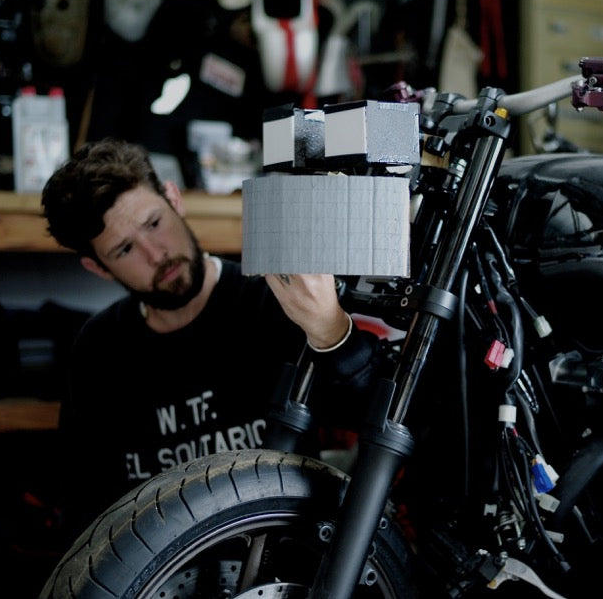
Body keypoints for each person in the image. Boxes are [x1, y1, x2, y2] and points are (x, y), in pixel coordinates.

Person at [41, 137, 377, 540]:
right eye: (125, 248)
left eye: (153, 223)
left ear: (174, 198)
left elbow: (378, 422)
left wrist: (331, 331)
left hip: (279, 565)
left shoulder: (272, 300)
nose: (155, 253)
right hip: (160, 573)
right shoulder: (99, 350)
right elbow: (84, 508)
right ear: (97, 267)